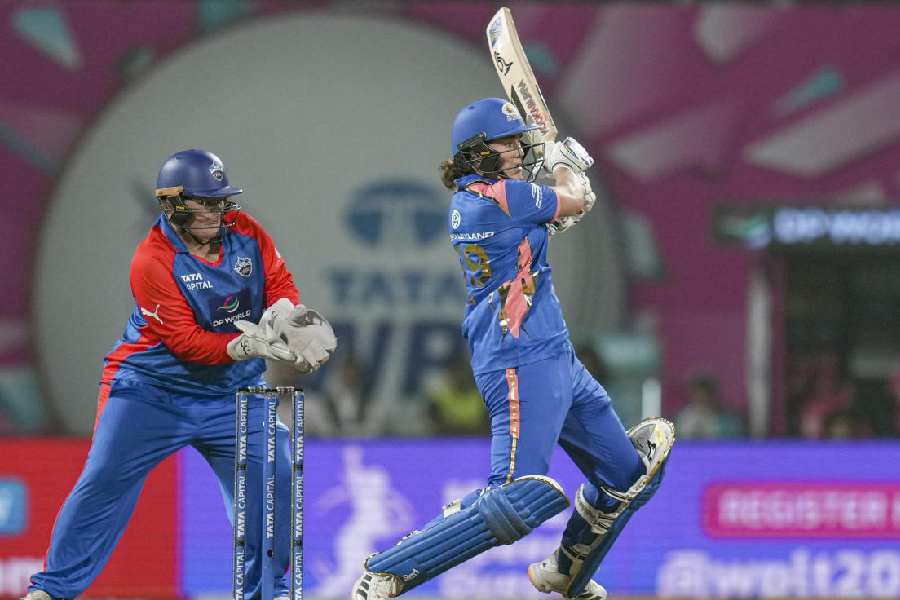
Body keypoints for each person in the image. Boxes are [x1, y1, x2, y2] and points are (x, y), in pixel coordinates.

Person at [351, 99, 674, 600]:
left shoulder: (494, 198)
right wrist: (565, 162)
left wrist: (560, 181)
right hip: (519, 361)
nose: (519, 150)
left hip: (555, 353)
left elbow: (557, 213)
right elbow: (575, 197)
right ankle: (389, 570)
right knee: (517, 497)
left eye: (519, 141)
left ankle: (565, 572)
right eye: (507, 144)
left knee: (628, 476)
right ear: (477, 153)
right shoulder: (496, 197)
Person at [25, 149, 336, 600]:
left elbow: (279, 281)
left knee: (276, 473)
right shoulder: (152, 260)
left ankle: (269, 592)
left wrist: (289, 315)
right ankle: (51, 591)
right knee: (104, 482)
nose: (216, 212)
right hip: (151, 390)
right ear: (172, 204)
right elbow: (187, 343)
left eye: (219, 201)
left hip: (234, 393)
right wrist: (245, 344)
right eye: (203, 203)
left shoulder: (247, 233)